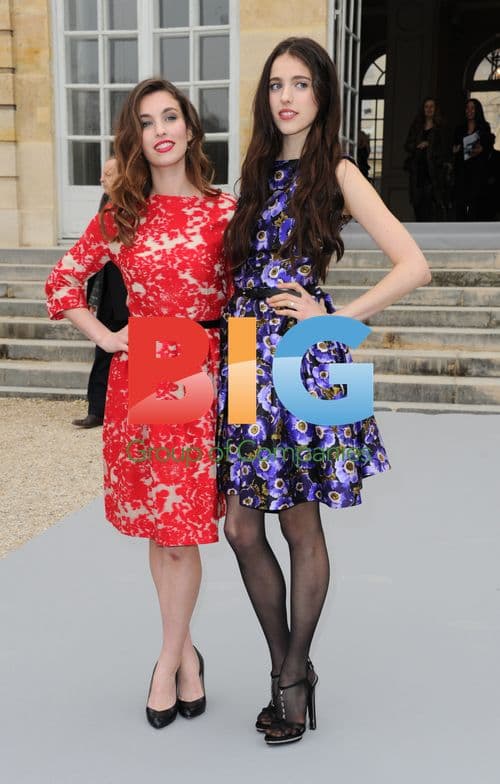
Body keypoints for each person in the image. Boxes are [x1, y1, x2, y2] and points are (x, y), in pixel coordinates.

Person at [217, 37, 431, 746]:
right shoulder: (251, 173)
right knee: (241, 525)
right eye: (276, 83)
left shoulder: (334, 170)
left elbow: (414, 264)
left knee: (298, 524)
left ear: (322, 95)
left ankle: (291, 675)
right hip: (245, 356)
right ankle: (292, 668)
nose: (286, 96)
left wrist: (335, 316)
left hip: (302, 359)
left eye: (300, 83)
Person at [45, 78, 236, 729]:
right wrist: (107, 336)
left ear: (189, 129)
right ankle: (183, 657)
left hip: (203, 370)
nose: (161, 128)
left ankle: (168, 660)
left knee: (182, 531)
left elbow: (245, 303)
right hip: (153, 366)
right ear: (136, 136)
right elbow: (64, 280)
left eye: (172, 116)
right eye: (147, 120)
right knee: (164, 527)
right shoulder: (123, 216)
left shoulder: (224, 211)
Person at [72, 156, 130, 429]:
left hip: (132, 294)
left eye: (108, 174)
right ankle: (96, 409)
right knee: (103, 351)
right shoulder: (105, 206)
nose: (102, 179)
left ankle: (129, 413)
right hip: (108, 289)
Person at [404, 97, 447, 221]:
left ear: (435, 109)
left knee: (431, 208)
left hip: (433, 174)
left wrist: (430, 146)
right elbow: (407, 145)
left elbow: (444, 149)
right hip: (418, 173)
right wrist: (418, 145)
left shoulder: (440, 128)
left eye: (431, 106)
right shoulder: (417, 127)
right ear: (423, 109)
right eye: (426, 106)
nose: (429, 109)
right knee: (418, 207)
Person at [452, 98, 494, 220]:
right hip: (462, 172)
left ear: (477, 110)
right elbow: (454, 147)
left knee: (476, 207)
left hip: (477, 173)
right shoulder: (459, 129)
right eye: (467, 108)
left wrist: (481, 149)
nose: (469, 111)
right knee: (460, 206)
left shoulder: (484, 128)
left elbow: (487, 150)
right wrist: (455, 150)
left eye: (472, 108)